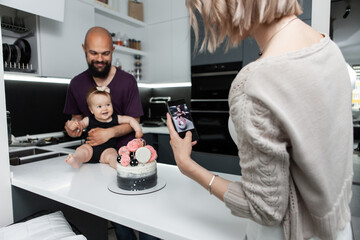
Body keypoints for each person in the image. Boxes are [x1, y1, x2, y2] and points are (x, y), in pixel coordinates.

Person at [166, 1, 353, 240]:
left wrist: (187, 166)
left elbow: (266, 210)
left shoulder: (256, 84)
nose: (211, 21)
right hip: (338, 229)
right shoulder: (329, 48)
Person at [63, 27, 159, 240]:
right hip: (97, 166)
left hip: (127, 159)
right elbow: (77, 121)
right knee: (118, 219)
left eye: (105, 53)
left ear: (113, 50)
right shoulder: (76, 84)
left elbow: (135, 121)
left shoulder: (127, 82)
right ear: (84, 49)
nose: (99, 59)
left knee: (146, 215)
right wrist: (72, 127)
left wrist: (108, 134)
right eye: (93, 53)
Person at [65, 86, 142, 169]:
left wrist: (138, 129)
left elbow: (130, 119)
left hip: (107, 150)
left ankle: (119, 166)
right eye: (99, 106)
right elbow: (79, 124)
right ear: (91, 110)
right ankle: (76, 160)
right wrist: (72, 125)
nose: (105, 108)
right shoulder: (88, 119)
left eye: (108, 104)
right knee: (82, 150)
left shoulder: (116, 118)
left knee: (112, 155)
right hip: (90, 148)